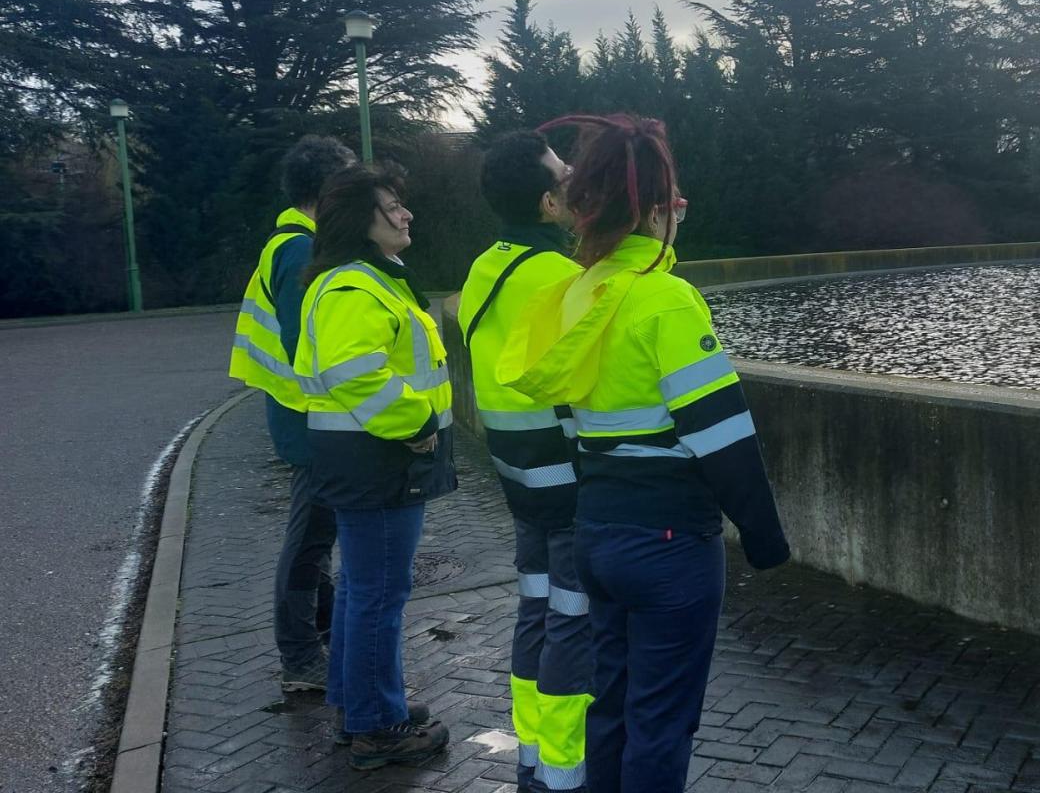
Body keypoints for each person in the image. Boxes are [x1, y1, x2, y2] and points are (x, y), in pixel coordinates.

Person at [497, 113, 790, 793]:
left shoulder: (575, 295)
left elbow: (570, 420)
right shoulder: (668, 300)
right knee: (662, 721)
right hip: (668, 545)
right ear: (657, 208)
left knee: (613, 708)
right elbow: (724, 439)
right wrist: (766, 538)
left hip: (595, 531)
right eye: (674, 200)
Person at [294, 163, 455, 769]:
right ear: (360, 220)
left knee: (369, 591)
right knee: (378, 595)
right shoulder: (353, 288)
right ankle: (376, 727)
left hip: (369, 460)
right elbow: (355, 374)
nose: (405, 213)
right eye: (392, 206)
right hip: (378, 459)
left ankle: (358, 703)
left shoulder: (365, 280)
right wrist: (415, 423)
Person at [457, 131, 590, 792]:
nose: (575, 180)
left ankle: (533, 757)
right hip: (566, 483)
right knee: (573, 620)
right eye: (564, 175)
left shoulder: (486, 267)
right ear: (547, 202)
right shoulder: (561, 279)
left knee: (535, 611)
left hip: (516, 478)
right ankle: (565, 776)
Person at [227, 135, 353, 692]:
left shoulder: (296, 242)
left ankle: (318, 636)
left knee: (317, 534)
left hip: (303, 414)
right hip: (310, 419)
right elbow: (313, 345)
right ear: (327, 191)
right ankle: (301, 656)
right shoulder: (301, 250)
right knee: (310, 538)